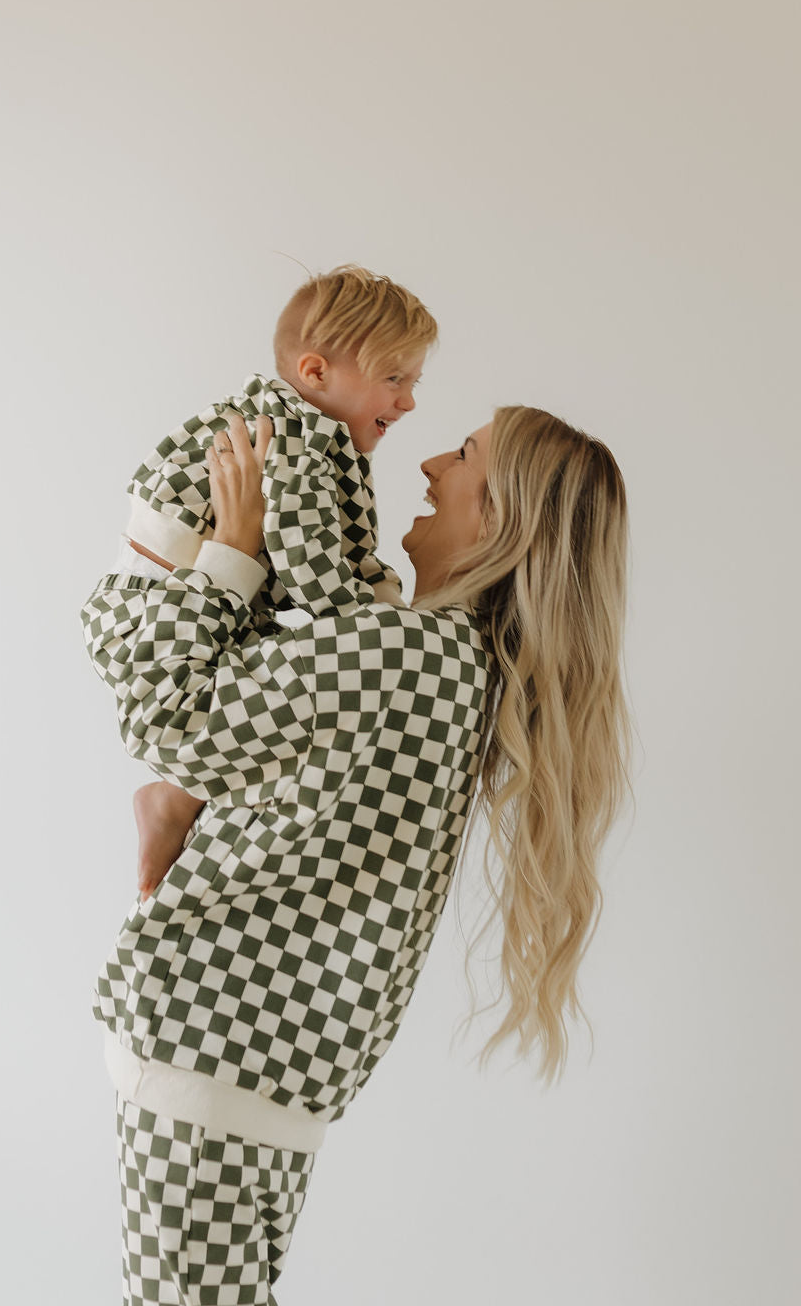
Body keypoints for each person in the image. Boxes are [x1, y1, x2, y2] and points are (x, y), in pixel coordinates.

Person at [82, 405, 630, 1306]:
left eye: (462, 456)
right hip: (272, 1080)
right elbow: (295, 764)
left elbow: (165, 715)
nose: (427, 467)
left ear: (499, 516)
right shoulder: (467, 674)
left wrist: (231, 549)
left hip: (208, 1045)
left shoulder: (404, 654)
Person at [120, 264, 437, 903]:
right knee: (249, 693)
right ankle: (174, 796)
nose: (407, 402)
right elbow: (310, 554)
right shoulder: (295, 441)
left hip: (188, 597)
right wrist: (371, 615)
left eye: (413, 382)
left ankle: (175, 797)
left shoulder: (300, 431)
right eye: (393, 379)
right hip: (165, 613)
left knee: (263, 686)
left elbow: (329, 548)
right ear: (316, 373)